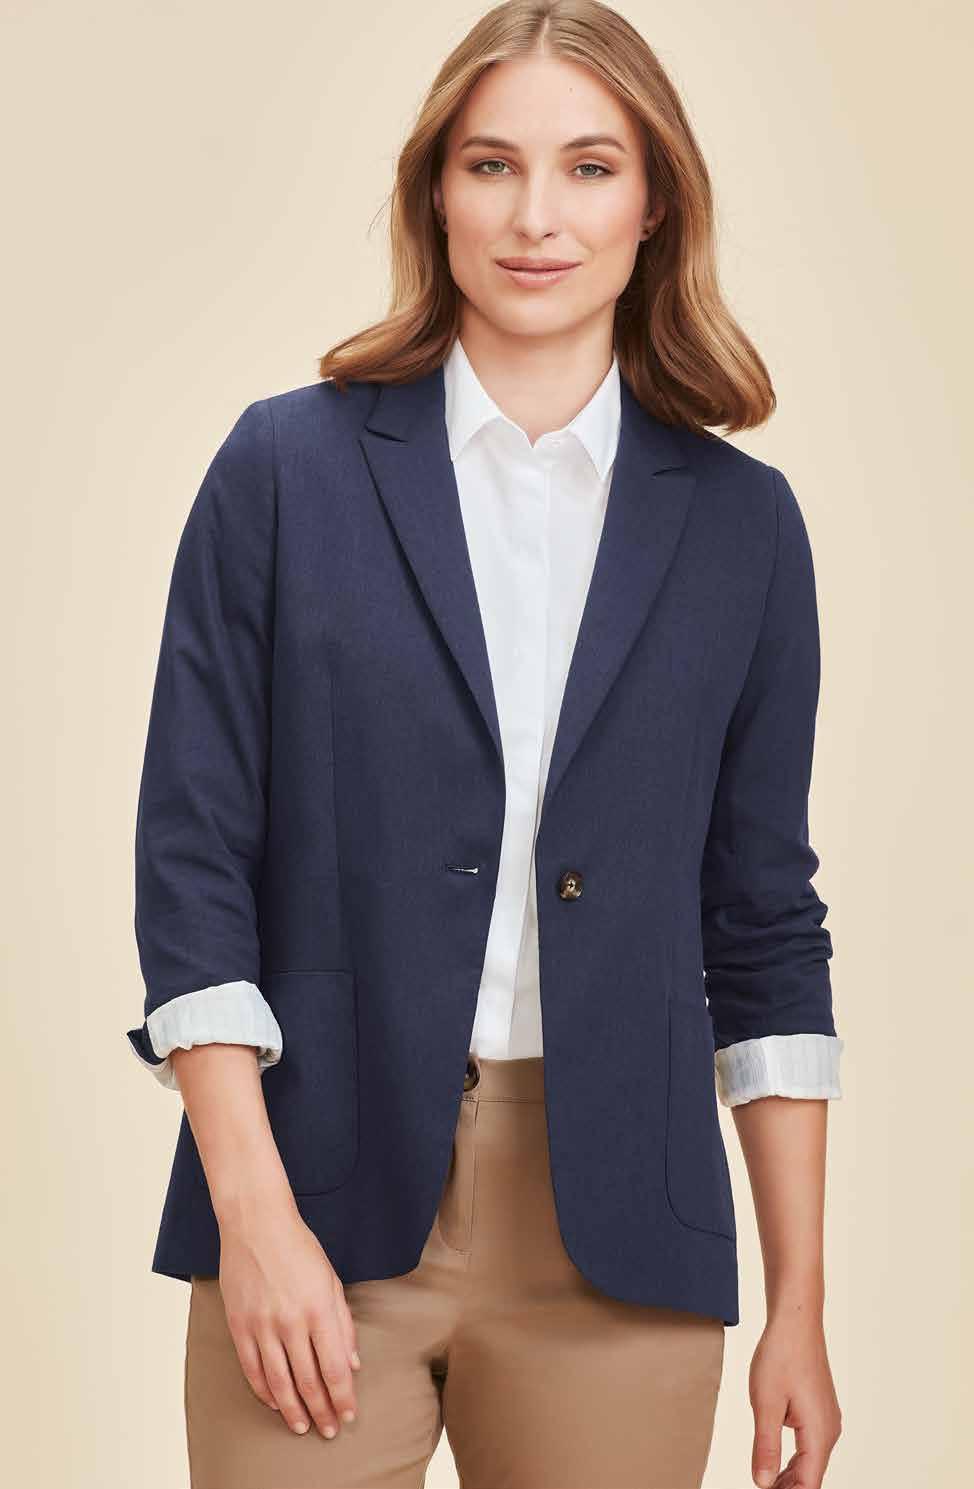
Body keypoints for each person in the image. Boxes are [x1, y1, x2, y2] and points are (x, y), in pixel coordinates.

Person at [126, 3, 845, 1486]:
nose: (535, 218)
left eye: (589, 167)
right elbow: (193, 863)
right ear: (435, 192)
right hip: (311, 1192)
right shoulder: (284, 469)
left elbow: (764, 919)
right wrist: (252, 1215)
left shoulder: (743, 530)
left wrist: (800, 1305)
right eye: (491, 164)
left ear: (654, 204)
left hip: (622, 1240)